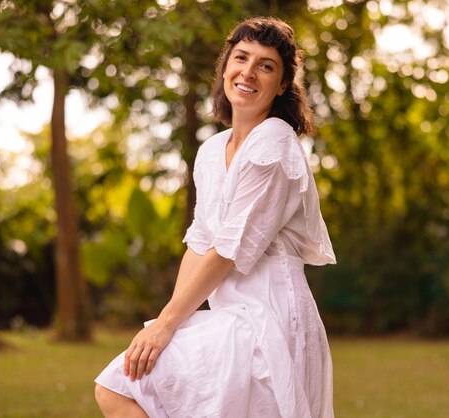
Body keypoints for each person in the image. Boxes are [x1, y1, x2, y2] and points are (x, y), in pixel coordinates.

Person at [94, 16, 336, 418]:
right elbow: (200, 242)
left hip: (269, 321)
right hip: (227, 316)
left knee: (118, 385)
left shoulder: (274, 142)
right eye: (241, 57)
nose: (249, 72)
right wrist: (166, 320)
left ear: (281, 86)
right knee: (122, 385)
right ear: (225, 66)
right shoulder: (211, 150)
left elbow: (226, 250)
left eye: (266, 65)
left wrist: (168, 324)